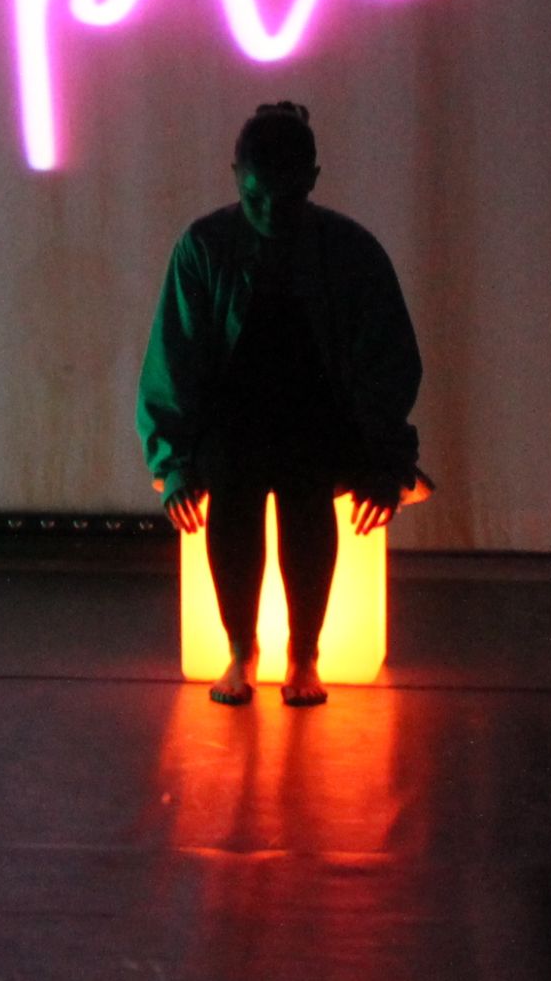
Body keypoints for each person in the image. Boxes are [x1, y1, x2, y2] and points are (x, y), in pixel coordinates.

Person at [137, 102, 422, 707]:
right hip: (234, 425)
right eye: (256, 197)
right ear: (235, 175)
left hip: (319, 423)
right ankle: (242, 651)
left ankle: (304, 654)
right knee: (232, 503)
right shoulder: (204, 247)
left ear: (313, 180)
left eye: (284, 199)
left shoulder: (349, 251)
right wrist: (174, 465)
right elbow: (175, 359)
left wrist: (385, 463)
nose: (270, 212)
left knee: (306, 500)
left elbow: (388, 363)